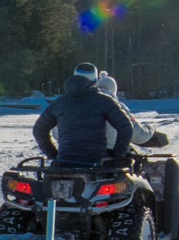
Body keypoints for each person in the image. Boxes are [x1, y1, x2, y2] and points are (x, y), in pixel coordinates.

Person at [34, 64, 166, 166]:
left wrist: (54, 155)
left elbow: (40, 130)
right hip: (98, 161)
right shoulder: (106, 102)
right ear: (94, 80)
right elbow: (127, 128)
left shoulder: (59, 103)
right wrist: (118, 156)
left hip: (66, 162)